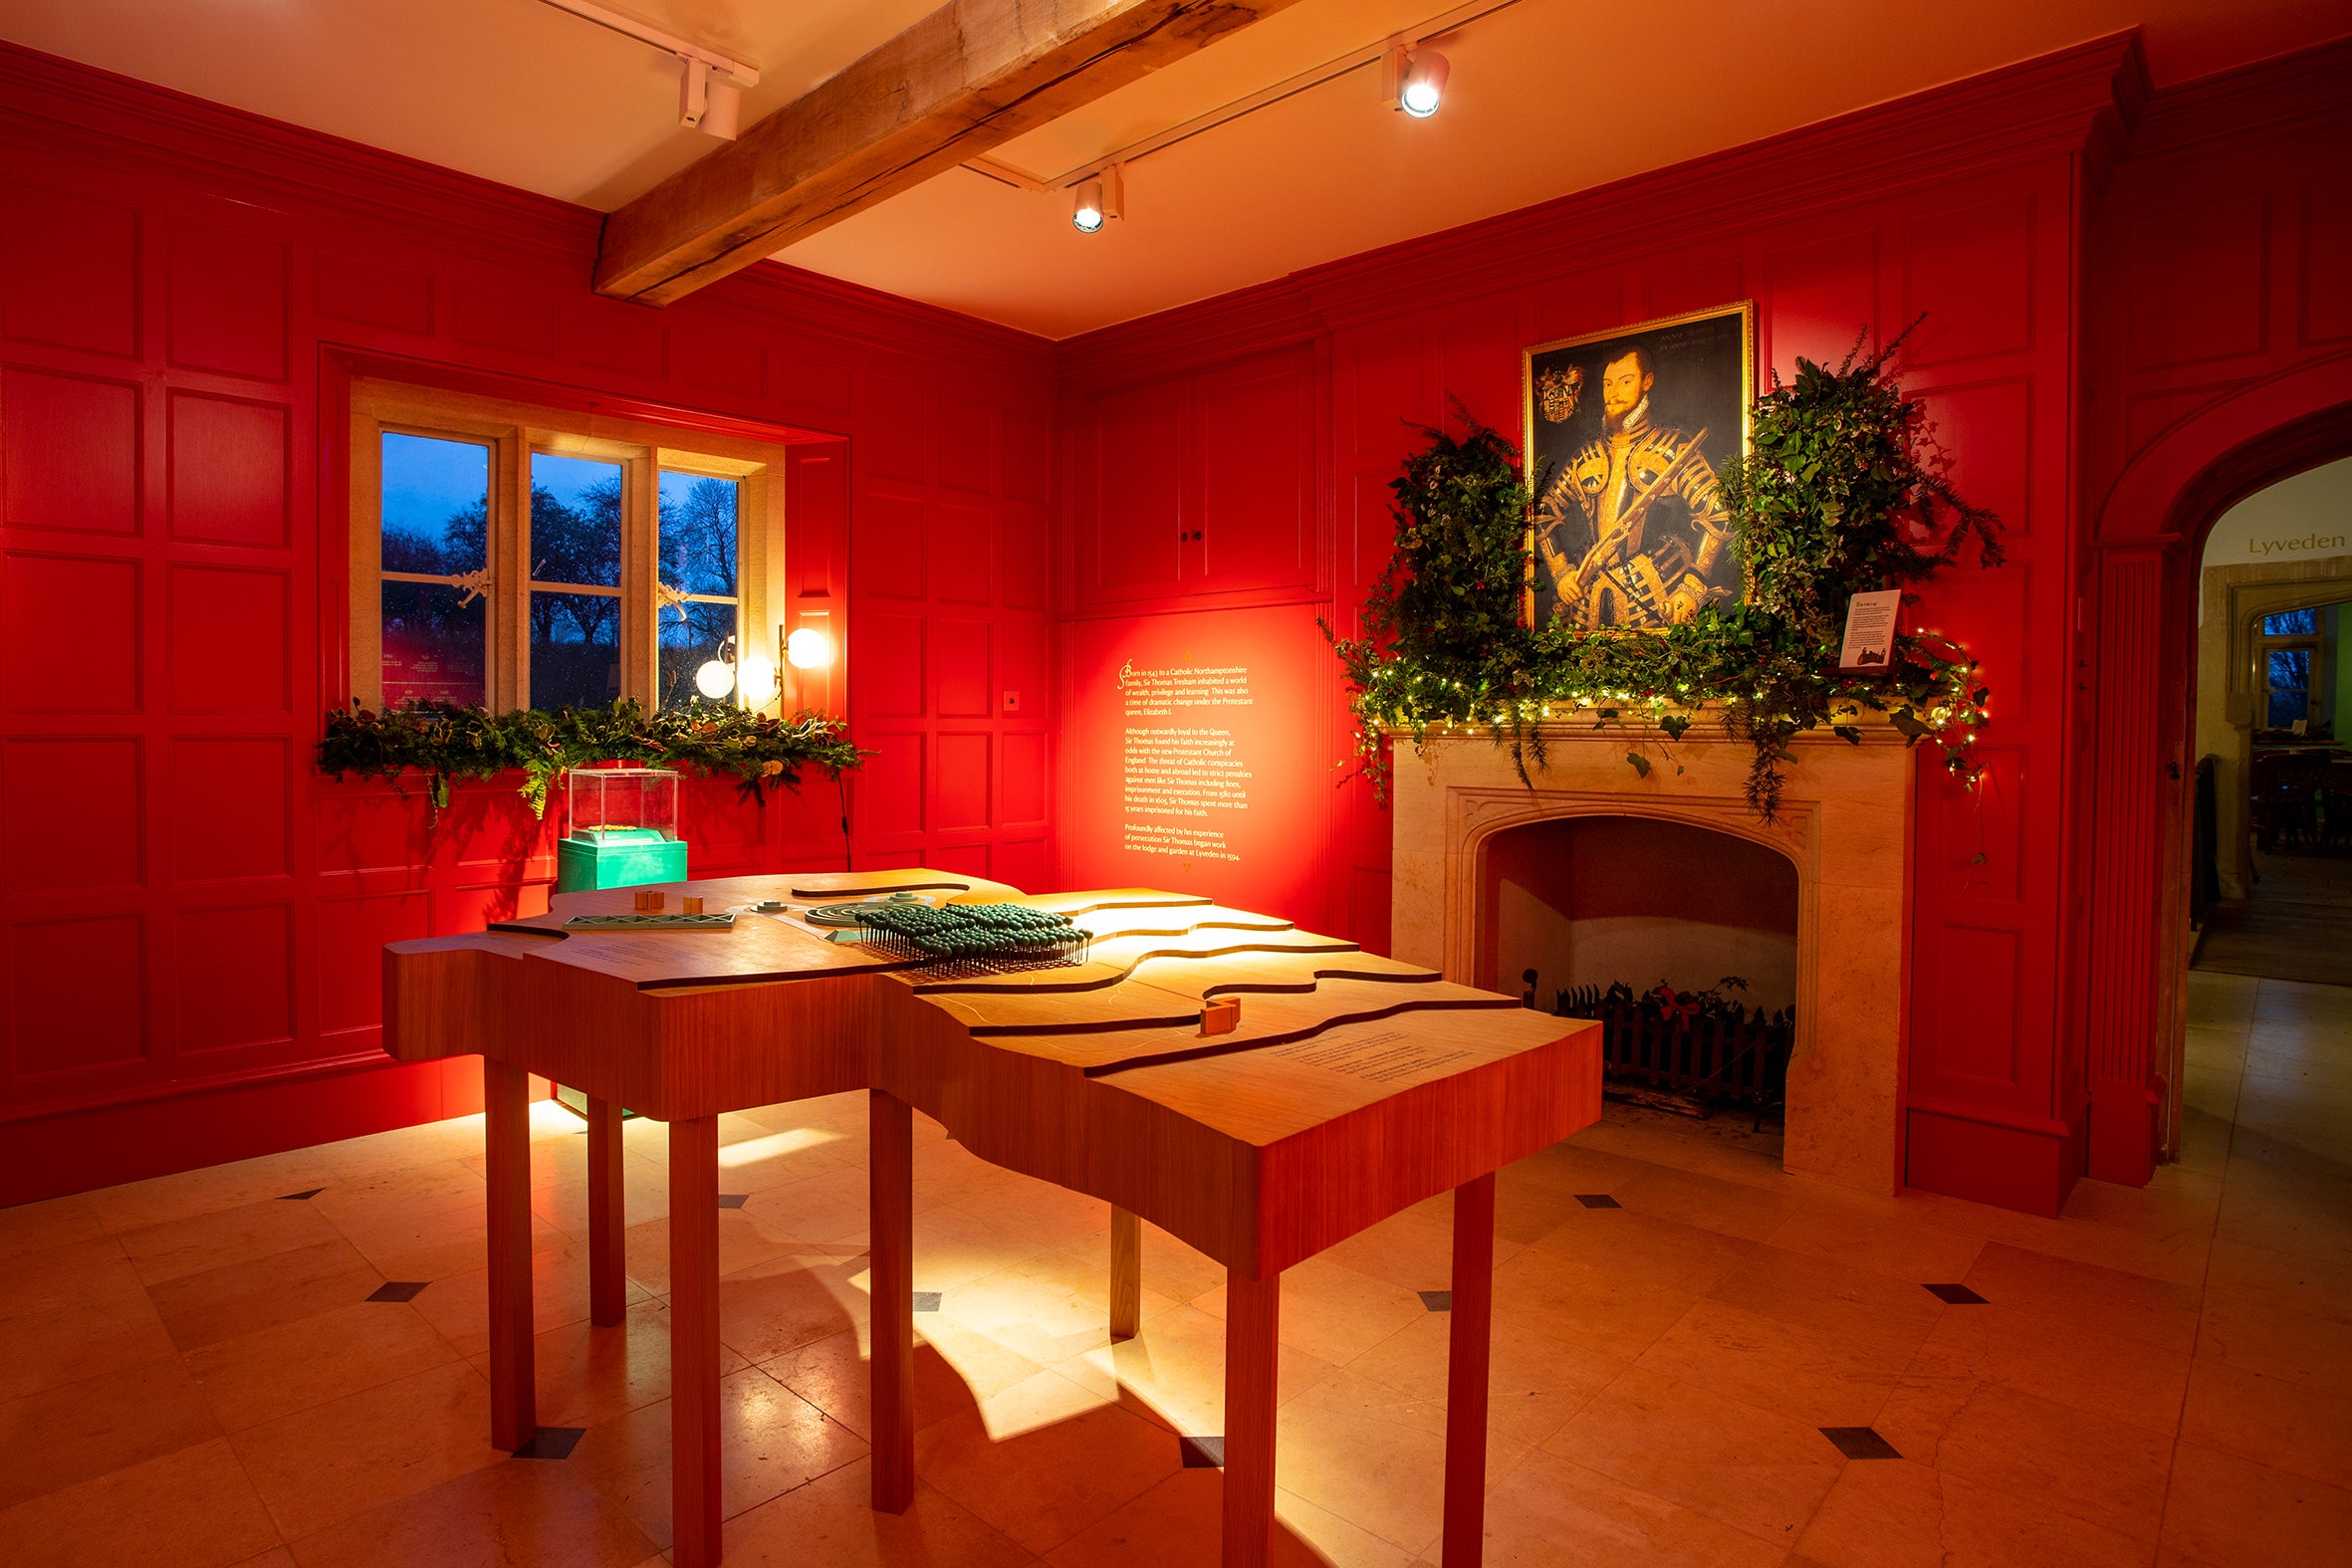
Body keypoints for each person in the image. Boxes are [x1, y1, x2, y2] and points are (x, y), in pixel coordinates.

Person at [1534, 345, 1735, 627]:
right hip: (1589, 593)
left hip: (1658, 586)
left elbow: (1719, 512)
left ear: (1647, 382)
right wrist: (1561, 572)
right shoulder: (1587, 456)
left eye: (1625, 381)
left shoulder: (1672, 448)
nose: (1613, 391)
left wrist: (1693, 584)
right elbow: (1544, 512)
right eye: (1607, 383)